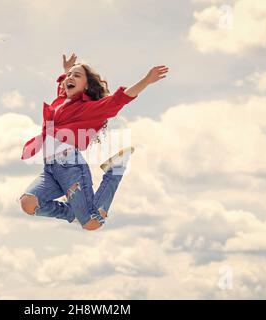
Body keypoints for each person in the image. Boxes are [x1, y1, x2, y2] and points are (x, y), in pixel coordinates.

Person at [19, 53, 168, 230]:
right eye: (68, 76)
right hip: (50, 168)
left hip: (70, 167)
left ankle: (115, 171)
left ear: (87, 85)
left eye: (77, 75)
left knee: (92, 224)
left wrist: (146, 80)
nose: (69, 78)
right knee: (28, 203)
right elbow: (65, 86)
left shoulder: (87, 108)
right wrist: (68, 70)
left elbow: (118, 100)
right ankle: (73, 213)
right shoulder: (60, 101)